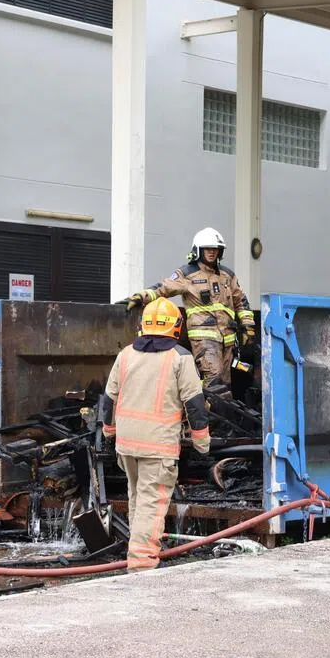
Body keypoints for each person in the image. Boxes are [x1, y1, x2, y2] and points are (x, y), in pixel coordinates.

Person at [101, 298, 212, 571]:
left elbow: (109, 398)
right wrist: (202, 442)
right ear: (176, 326)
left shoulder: (126, 354)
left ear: (143, 325)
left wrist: (109, 431)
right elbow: (195, 403)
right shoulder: (180, 357)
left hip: (127, 444)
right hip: (158, 446)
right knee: (151, 504)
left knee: (138, 499)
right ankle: (141, 564)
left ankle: (136, 553)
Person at [126, 227, 255, 395]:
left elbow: (241, 301)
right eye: (207, 249)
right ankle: (207, 410)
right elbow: (163, 288)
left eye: (215, 249)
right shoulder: (187, 274)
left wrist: (248, 327)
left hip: (228, 340)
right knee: (213, 378)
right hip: (204, 339)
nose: (212, 252)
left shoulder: (227, 275)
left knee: (225, 383)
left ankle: (221, 411)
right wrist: (141, 297)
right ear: (198, 251)